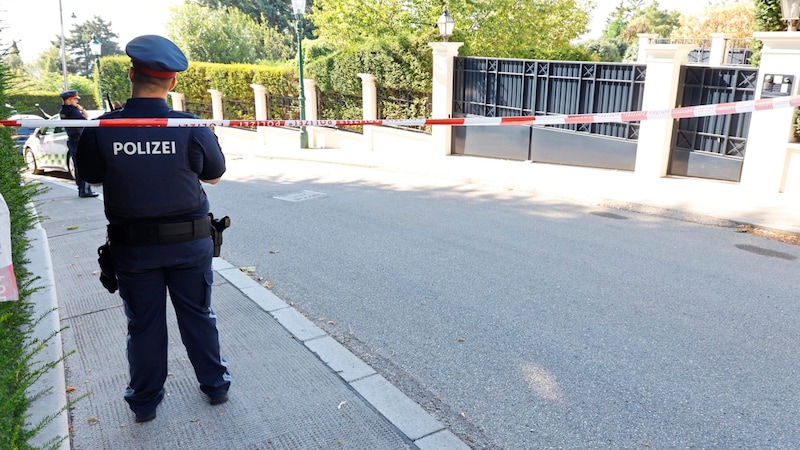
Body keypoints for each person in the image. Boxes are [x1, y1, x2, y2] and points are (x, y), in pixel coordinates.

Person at [76, 35, 231, 424]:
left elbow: (91, 177)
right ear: (172, 83)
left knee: (143, 325)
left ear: (131, 74)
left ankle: (144, 402)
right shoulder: (191, 126)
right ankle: (215, 386)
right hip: (190, 245)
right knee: (198, 315)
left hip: (134, 249)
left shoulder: (103, 128)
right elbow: (214, 176)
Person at [58, 90, 97, 197]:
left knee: (77, 165)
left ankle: (81, 188)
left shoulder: (62, 111)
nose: (76, 101)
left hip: (71, 140)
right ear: (69, 100)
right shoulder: (73, 112)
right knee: (84, 164)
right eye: (75, 99)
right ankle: (85, 190)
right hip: (78, 140)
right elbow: (85, 120)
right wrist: (81, 109)